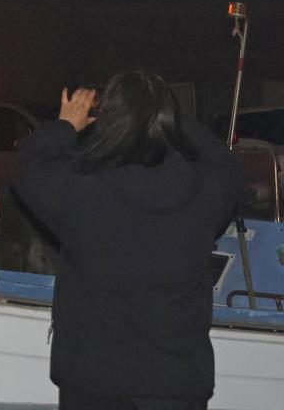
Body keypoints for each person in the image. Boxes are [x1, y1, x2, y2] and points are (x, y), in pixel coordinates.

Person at [14, 70, 243, 410]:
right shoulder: (205, 192)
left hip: (93, 382)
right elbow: (224, 160)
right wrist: (171, 116)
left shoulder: (80, 190)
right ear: (166, 120)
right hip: (175, 383)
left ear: (109, 121)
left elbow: (29, 164)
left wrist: (65, 125)